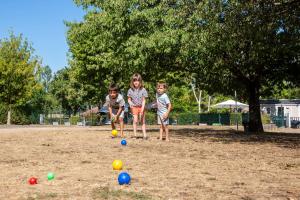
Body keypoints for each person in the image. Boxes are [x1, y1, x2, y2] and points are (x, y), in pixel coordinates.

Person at [127, 73, 148, 139]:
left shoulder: (143, 89)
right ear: (132, 82)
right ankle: (135, 135)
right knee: (135, 120)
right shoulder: (130, 90)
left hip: (141, 107)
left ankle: (144, 135)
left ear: (140, 81)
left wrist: (142, 108)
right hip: (134, 108)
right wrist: (130, 103)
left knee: (142, 121)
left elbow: (144, 100)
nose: (136, 82)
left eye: (138, 80)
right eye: (135, 80)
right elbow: (129, 99)